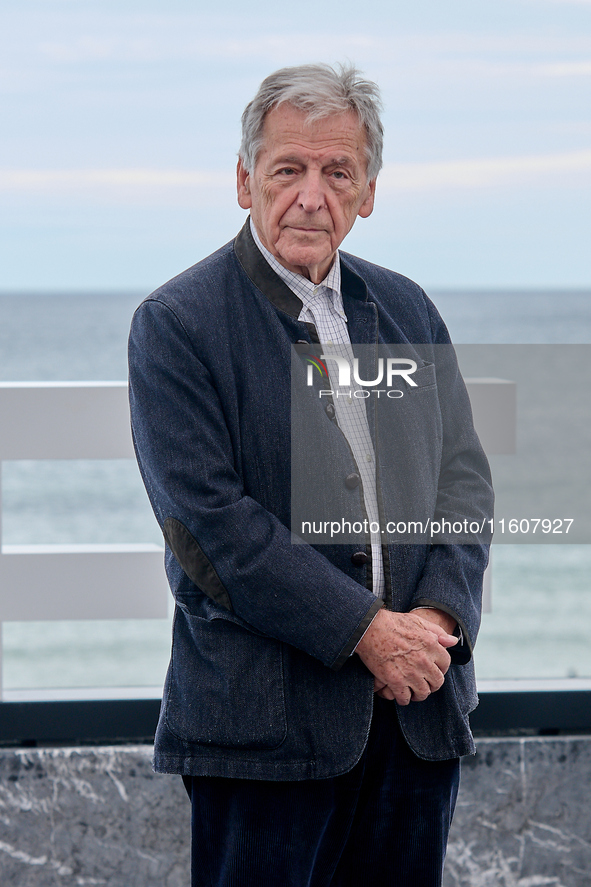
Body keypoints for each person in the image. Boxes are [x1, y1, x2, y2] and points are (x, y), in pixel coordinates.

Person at [128, 63, 493, 887]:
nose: (309, 195)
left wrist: (433, 620)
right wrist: (369, 632)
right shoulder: (176, 324)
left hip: (414, 722)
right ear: (243, 179)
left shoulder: (408, 309)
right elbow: (210, 527)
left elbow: (462, 480)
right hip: (263, 736)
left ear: (367, 192)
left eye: (337, 172)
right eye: (287, 168)